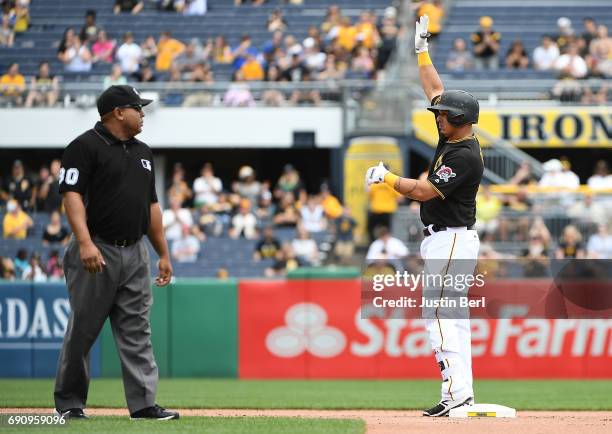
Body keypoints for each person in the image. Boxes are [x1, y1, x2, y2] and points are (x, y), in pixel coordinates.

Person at [366, 15, 483, 416]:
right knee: (454, 317)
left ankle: (454, 394)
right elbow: (436, 90)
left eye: (445, 114)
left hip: (451, 236)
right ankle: (462, 392)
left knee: (436, 312)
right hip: (450, 237)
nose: (438, 115)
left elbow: (425, 190)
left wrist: (386, 177)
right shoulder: (456, 135)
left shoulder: (464, 154)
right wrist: (422, 50)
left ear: (461, 120)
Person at [54, 85, 178, 420]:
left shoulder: (143, 152)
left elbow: (151, 205)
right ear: (118, 112)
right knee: (83, 330)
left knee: (137, 330)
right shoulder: (83, 146)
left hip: (135, 251)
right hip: (97, 247)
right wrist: (84, 243)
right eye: (138, 108)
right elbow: (72, 196)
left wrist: (163, 253)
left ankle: (143, 404)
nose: (143, 114)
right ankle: (69, 404)